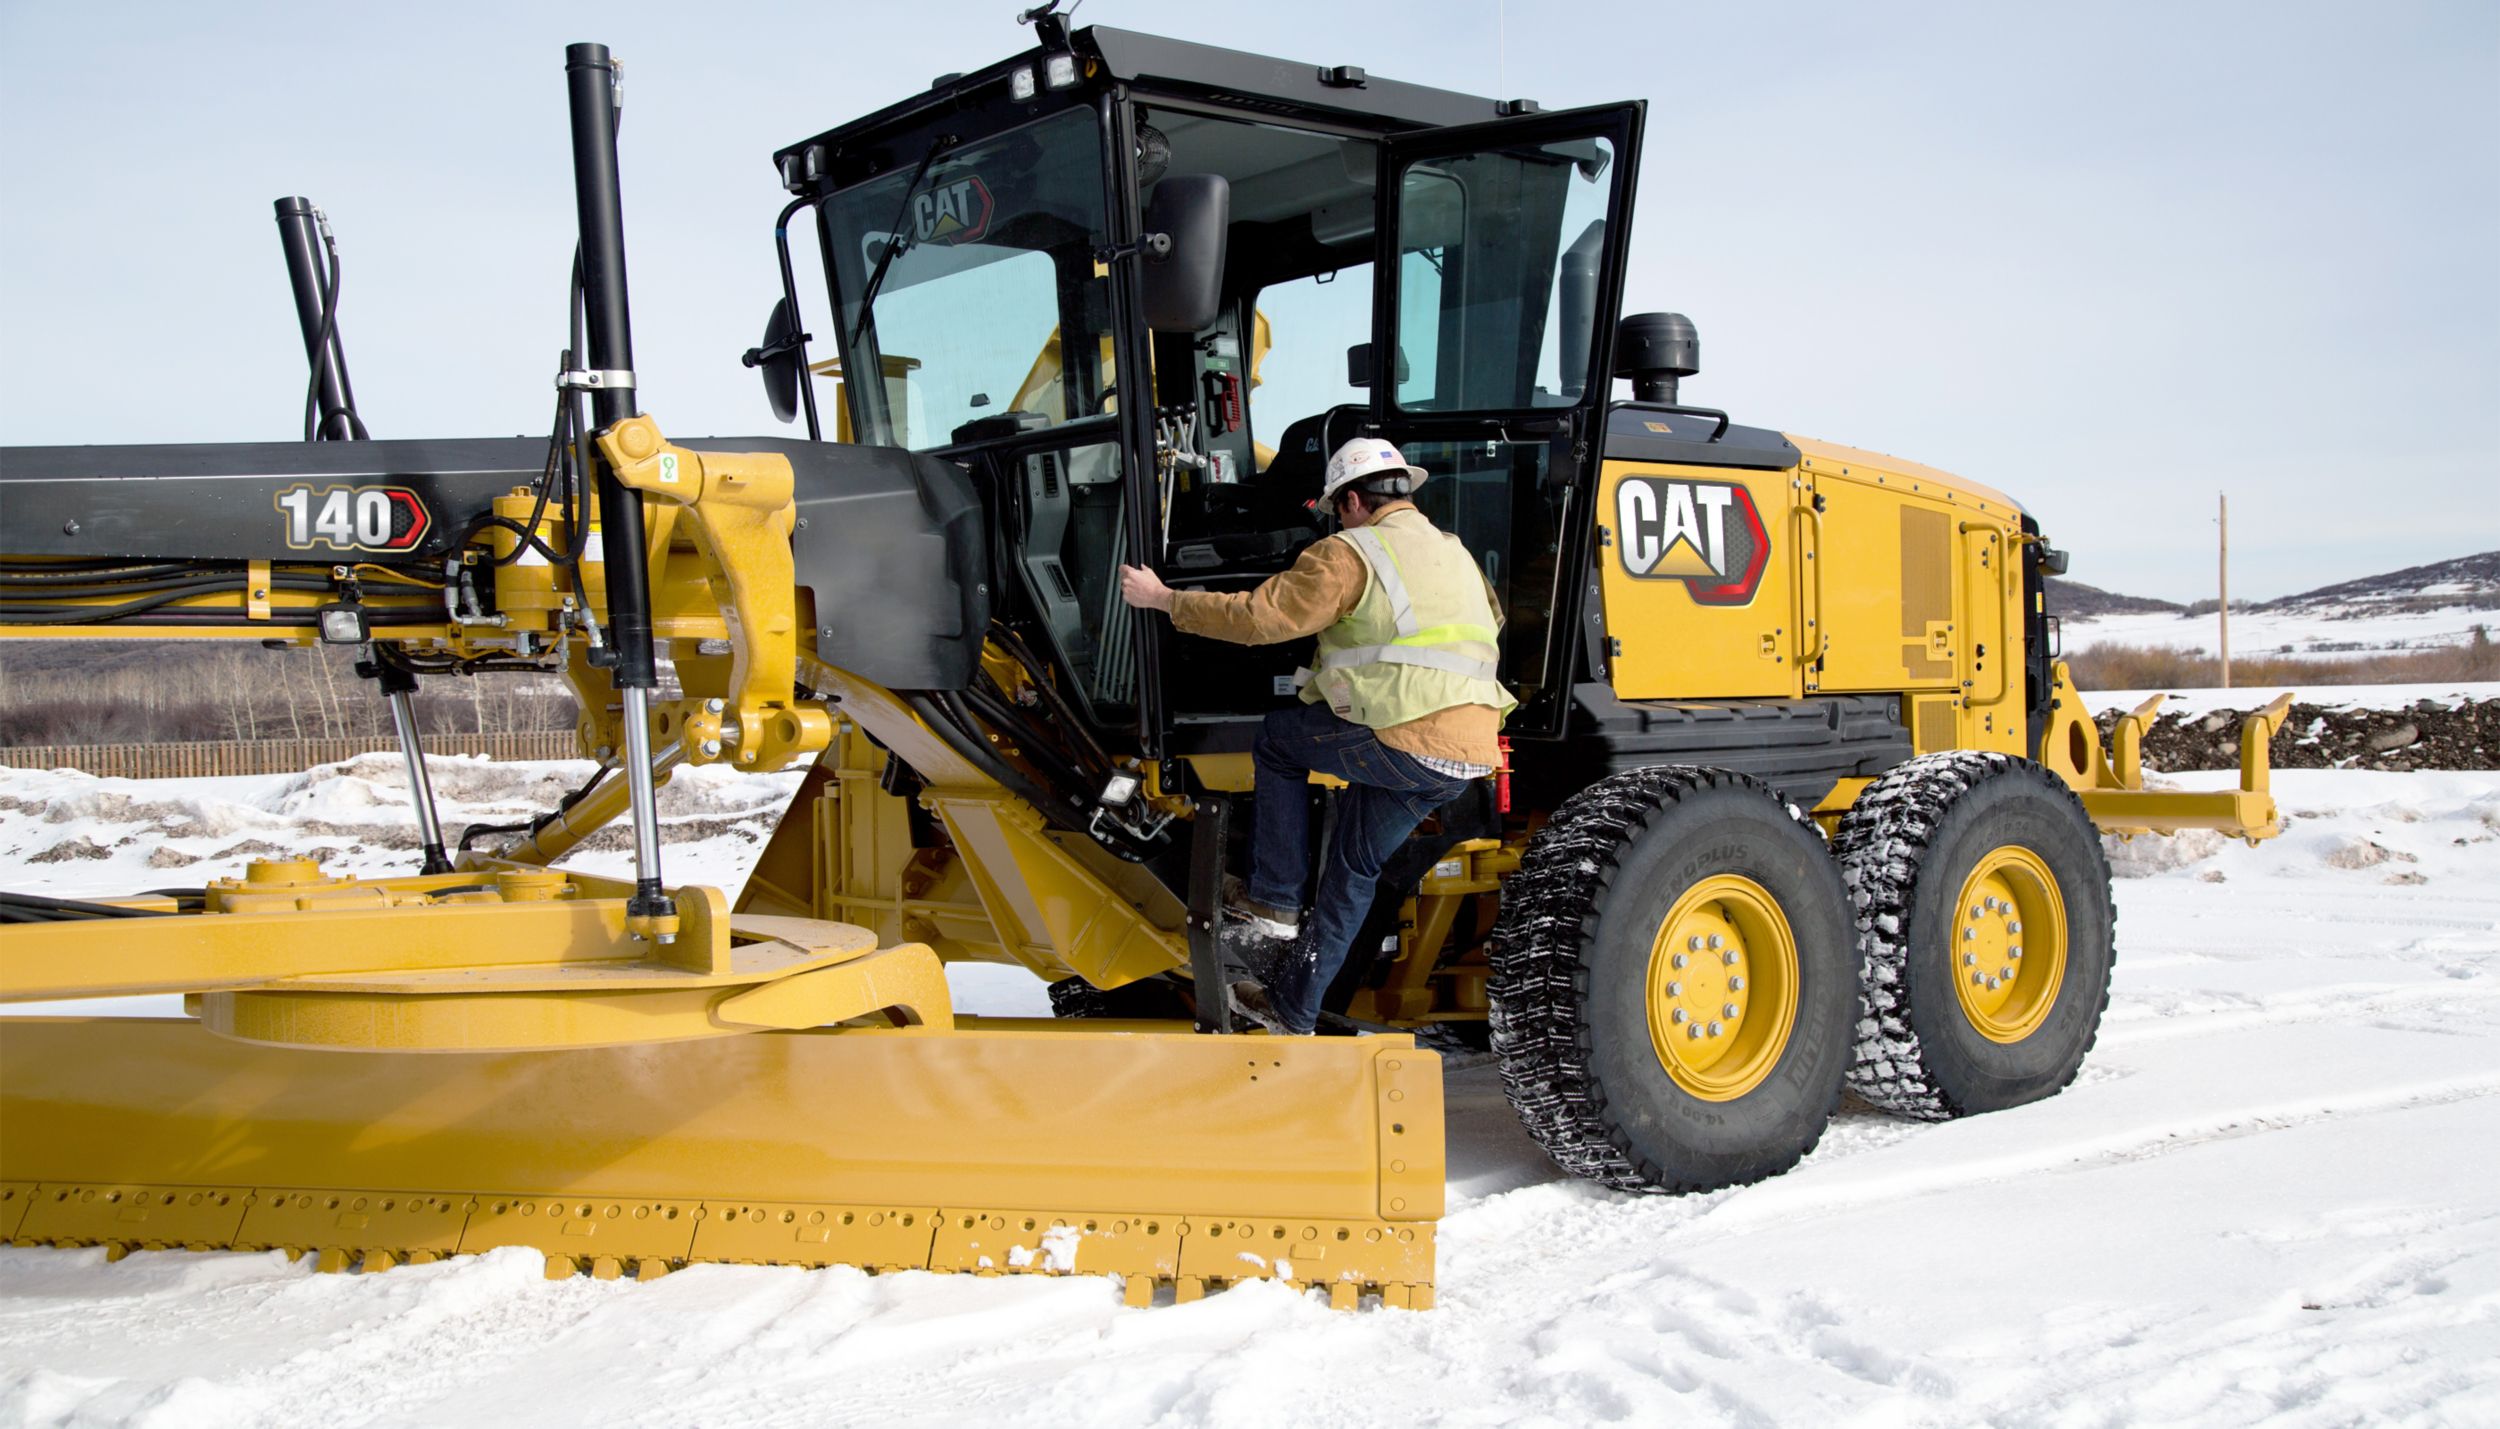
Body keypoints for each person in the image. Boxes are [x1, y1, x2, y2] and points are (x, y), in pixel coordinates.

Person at [1118, 437, 1514, 1034]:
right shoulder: (1454, 551)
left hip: (1407, 738)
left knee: (1279, 740)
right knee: (1352, 872)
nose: (1335, 520)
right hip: (1471, 749)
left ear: (1354, 499)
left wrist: (1165, 599)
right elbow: (1476, 628)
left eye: (1336, 509)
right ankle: (1293, 1010)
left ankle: (1272, 898)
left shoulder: (1350, 552)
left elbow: (1261, 618)